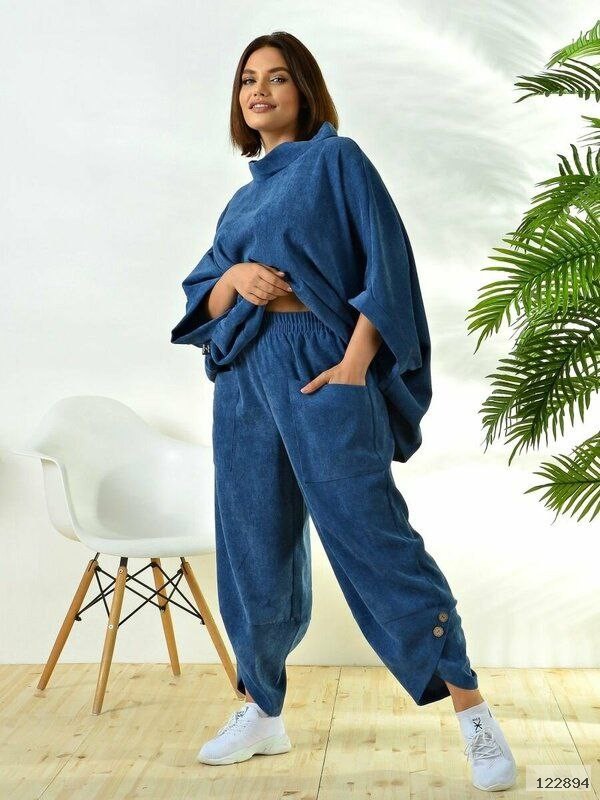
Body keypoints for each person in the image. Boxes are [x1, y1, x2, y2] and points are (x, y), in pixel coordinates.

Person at [171, 31, 517, 791]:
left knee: (372, 536)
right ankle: (261, 708)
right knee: (252, 542)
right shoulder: (242, 198)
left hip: (321, 365)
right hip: (246, 378)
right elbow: (204, 296)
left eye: (277, 78)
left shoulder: (337, 161)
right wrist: (236, 275)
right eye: (248, 80)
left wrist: (356, 364)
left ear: (305, 90)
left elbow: (386, 266)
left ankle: (472, 710)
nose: (259, 91)